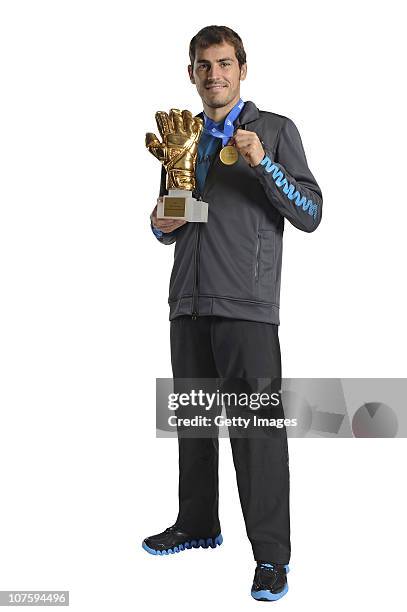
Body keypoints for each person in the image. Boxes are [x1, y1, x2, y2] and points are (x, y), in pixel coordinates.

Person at [143, 25, 323, 602]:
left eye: (223, 63)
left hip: (247, 309)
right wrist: (159, 222)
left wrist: (264, 162)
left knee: (257, 436)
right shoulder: (184, 138)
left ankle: (272, 557)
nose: (213, 74)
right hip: (188, 303)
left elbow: (311, 211)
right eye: (203, 65)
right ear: (191, 73)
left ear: (242, 68)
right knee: (194, 427)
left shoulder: (273, 130)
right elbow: (168, 221)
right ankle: (198, 523)